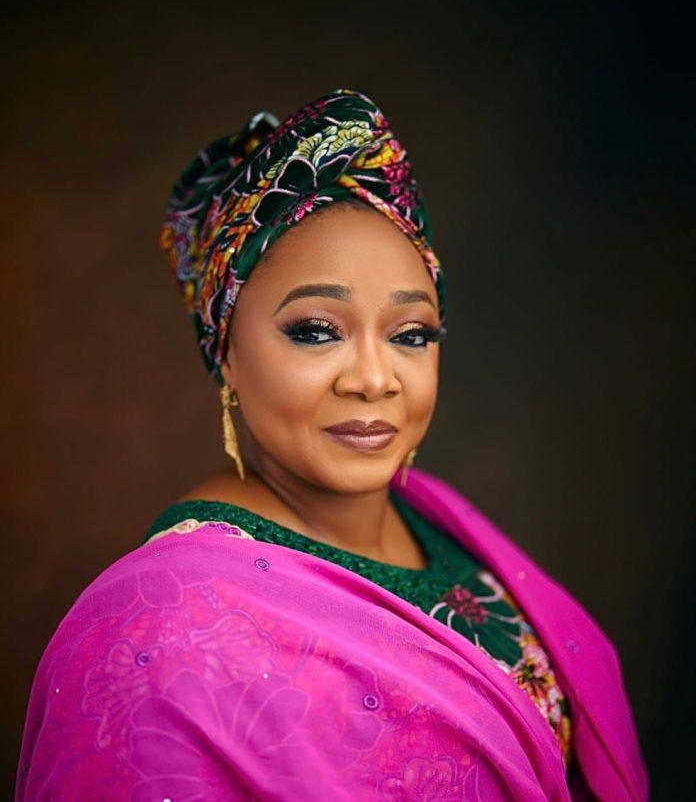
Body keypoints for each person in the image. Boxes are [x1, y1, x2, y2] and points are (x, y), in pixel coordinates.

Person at [16, 88, 647, 800]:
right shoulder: (157, 634)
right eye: (316, 331)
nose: (375, 379)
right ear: (227, 352)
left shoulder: (442, 526)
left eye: (411, 334)